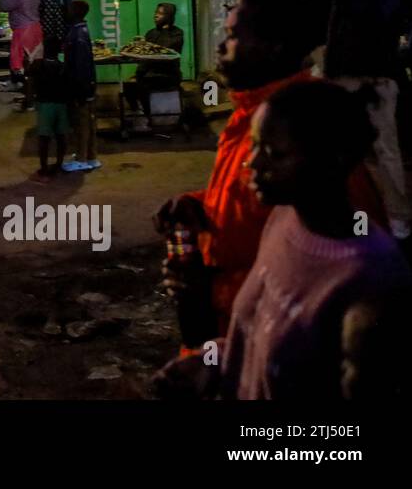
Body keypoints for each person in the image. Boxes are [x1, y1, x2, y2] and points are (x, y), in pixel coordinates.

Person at [154, 0, 388, 339]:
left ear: (273, 47)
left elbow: (343, 271)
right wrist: (200, 204)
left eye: (232, 36)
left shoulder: (305, 125)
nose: (221, 46)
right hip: (233, 328)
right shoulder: (250, 117)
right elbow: (254, 201)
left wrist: (212, 295)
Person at [155, 81, 412, 399]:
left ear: (334, 159)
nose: (254, 164)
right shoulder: (283, 219)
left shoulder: (370, 285)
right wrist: (214, 363)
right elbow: (258, 339)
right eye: (254, 145)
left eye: (275, 153)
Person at [319, 0, 410, 242]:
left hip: (375, 77)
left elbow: (381, 21)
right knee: (354, 151)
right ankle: (363, 212)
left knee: (384, 149)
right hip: (344, 76)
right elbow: (331, 31)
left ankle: (399, 217)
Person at [122, 2, 184, 126]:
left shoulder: (177, 33)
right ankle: (141, 115)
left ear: (169, 17)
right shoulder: (151, 33)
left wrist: (164, 30)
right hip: (149, 73)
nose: (156, 16)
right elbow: (144, 56)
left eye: (160, 14)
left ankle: (150, 118)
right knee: (128, 86)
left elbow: (165, 50)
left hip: (168, 75)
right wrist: (138, 73)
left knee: (144, 86)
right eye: (156, 13)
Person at [61, 0, 99, 172]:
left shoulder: (77, 35)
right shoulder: (82, 30)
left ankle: (81, 158)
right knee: (89, 121)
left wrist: (78, 89)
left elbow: (79, 65)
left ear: (75, 12)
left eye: (69, 9)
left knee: (81, 122)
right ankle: (91, 156)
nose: (66, 11)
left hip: (80, 85)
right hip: (87, 83)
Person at [0, 0, 42, 90]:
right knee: (33, 56)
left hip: (23, 29)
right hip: (36, 26)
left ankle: (19, 82)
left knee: (17, 58)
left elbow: (4, 6)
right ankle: (33, 83)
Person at [27, 56, 70, 180]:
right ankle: (59, 165)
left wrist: (30, 99)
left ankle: (44, 170)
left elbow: (30, 79)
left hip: (45, 104)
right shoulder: (62, 65)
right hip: (61, 104)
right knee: (61, 137)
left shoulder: (38, 64)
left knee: (44, 138)